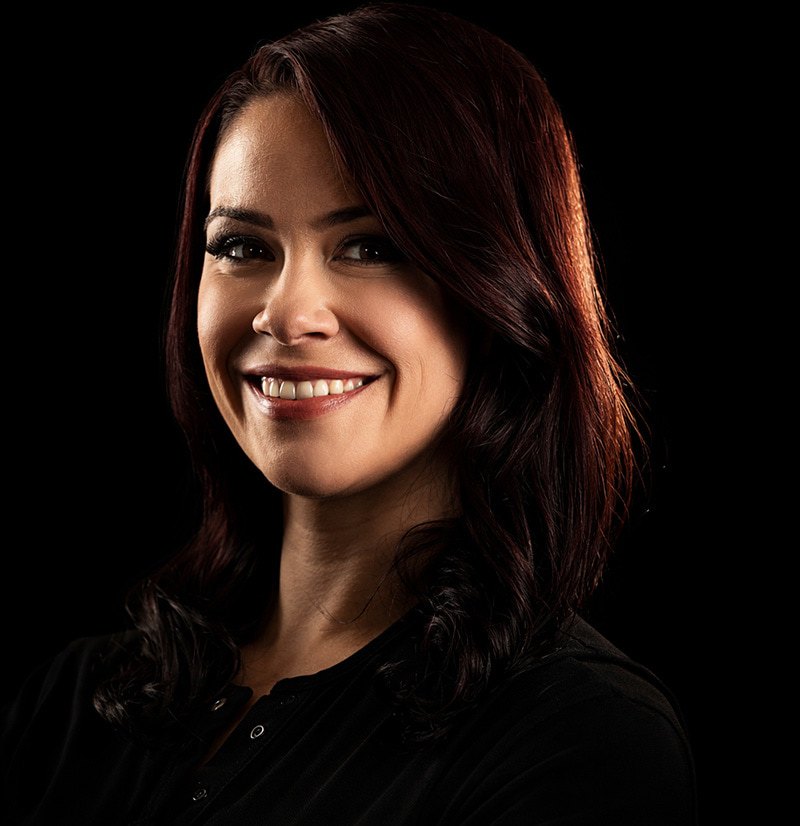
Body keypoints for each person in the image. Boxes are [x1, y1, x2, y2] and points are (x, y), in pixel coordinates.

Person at [1, 3, 697, 823]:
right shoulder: (77, 704)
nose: (286, 313)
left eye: (370, 247)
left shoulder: (578, 740)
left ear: (504, 292)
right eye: (242, 248)